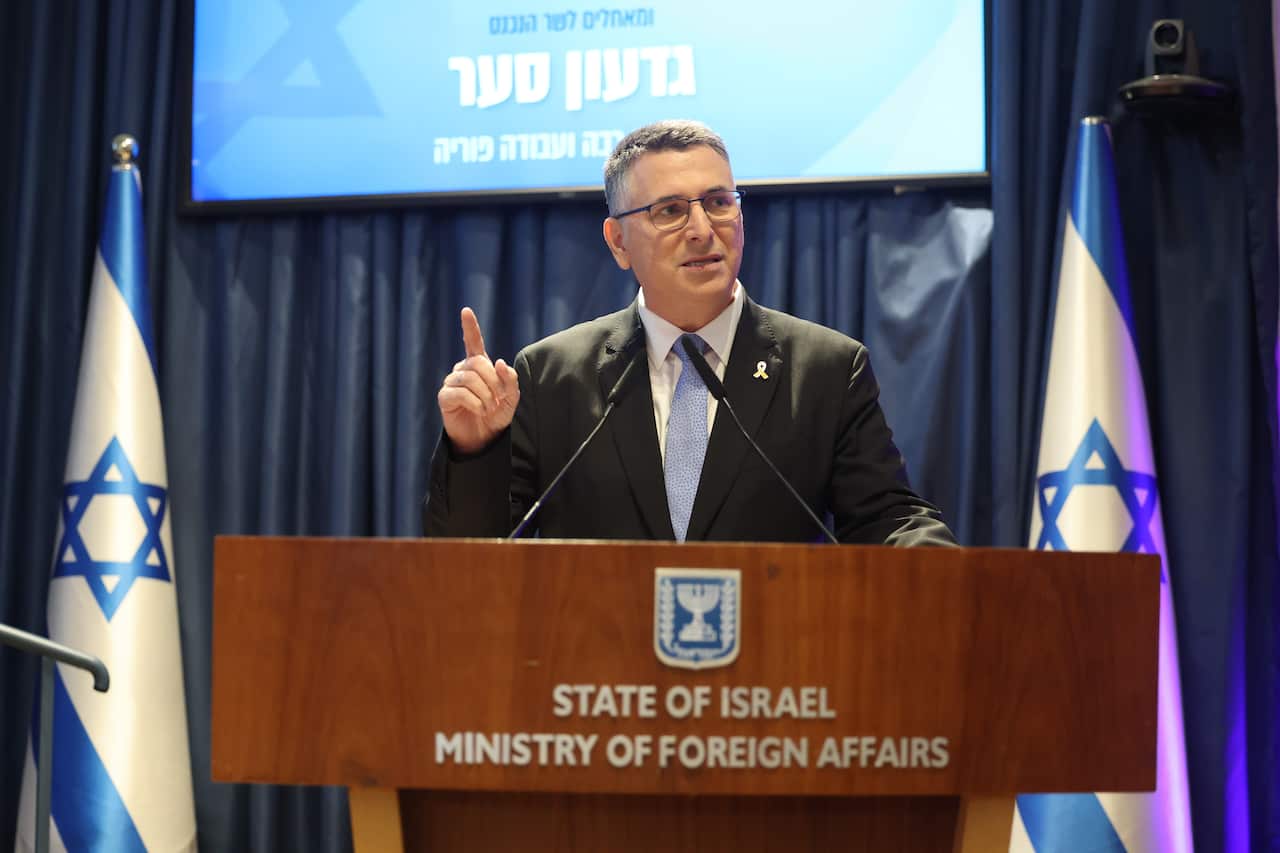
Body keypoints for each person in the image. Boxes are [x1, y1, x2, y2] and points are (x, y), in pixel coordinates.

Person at [424, 119, 955, 546]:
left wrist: (941, 568)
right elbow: (473, 558)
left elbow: (887, 518)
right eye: (671, 211)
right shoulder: (550, 375)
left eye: (719, 202)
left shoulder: (826, 369)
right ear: (618, 242)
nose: (702, 230)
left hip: (770, 646)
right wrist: (474, 451)